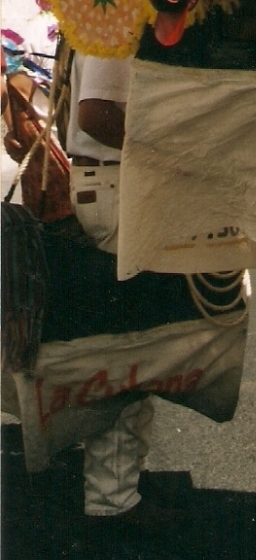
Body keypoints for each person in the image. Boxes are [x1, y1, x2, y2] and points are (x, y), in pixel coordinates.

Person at [66, 52, 170, 530]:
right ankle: (112, 499)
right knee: (127, 346)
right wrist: (176, 151)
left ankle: (115, 486)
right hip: (115, 186)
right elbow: (98, 114)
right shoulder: (112, 24)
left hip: (110, 184)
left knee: (125, 343)